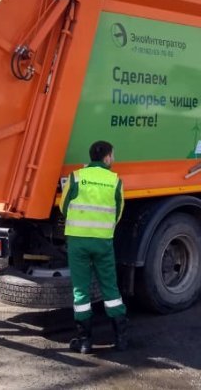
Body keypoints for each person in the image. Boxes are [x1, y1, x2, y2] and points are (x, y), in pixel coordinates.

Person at [60, 140, 127, 354]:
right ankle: (121, 339)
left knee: (81, 291)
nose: (113, 160)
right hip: (102, 242)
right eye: (113, 156)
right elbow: (118, 213)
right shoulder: (115, 180)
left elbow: (64, 206)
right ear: (106, 157)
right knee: (111, 289)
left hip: (77, 241)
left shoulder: (76, 177)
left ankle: (85, 342)